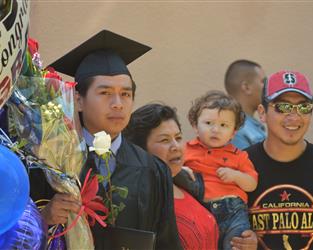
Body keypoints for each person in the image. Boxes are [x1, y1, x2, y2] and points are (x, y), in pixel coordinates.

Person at [29, 30, 182, 249]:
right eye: (105, 93)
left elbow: (167, 243)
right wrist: (43, 219)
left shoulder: (154, 170)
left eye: (126, 94)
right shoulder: (48, 164)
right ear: (78, 100)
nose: (118, 103)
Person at [246, 70, 313, 249]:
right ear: (262, 113)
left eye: (303, 107)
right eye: (283, 107)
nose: (294, 117)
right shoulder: (241, 165)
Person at [124, 103, 219, 250]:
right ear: (141, 150)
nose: (176, 146)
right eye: (165, 140)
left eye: (178, 137)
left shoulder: (188, 183)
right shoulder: (138, 201)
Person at [185, 90, 258, 250]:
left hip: (233, 212)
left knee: (236, 245)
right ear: (195, 126)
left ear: (233, 132)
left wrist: (236, 176)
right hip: (200, 211)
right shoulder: (186, 151)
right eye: (208, 123)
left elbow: (252, 184)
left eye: (223, 125)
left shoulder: (239, 156)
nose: (215, 130)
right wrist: (182, 170)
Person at [224, 59, 266, 149]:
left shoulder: (248, 126)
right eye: (263, 82)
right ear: (246, 87)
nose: (266, 87)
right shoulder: (236, 130)